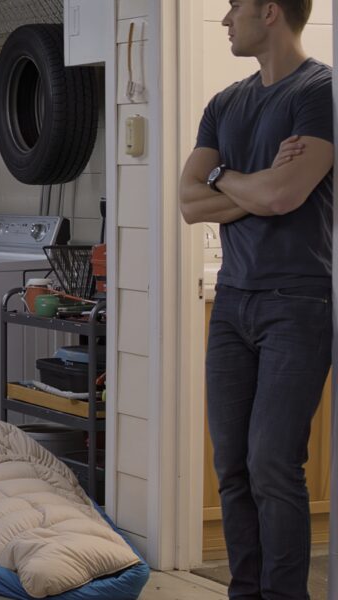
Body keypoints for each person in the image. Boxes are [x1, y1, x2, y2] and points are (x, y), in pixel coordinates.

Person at [179, 2, 332, 598]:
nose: (225, 19)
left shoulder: (320, 92)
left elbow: (284, 196)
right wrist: (253, 183)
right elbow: (189, 201)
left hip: (299, 301)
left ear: (270, 11)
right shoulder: (225, 103)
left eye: (235, 6)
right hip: (233, 301)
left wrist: (225, 178)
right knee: (232, 466)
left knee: (272, 463)